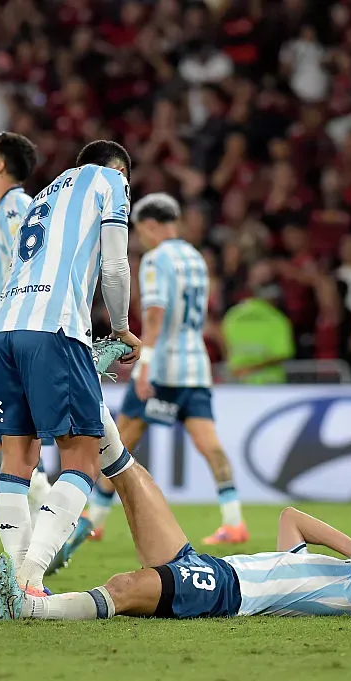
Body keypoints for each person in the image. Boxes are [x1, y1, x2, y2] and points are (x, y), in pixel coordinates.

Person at [0, 140, 142, 596]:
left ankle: (16, 579)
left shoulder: (43, 194)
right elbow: (116, 266)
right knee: (83, 460)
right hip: (54, 327)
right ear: (119, 170)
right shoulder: (110, 181)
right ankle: (31, 576)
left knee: (17, 460)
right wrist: (121, 327)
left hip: (4, 329)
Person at [0, 459, 351, 621]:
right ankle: (90, 396)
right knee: (135, 481)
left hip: (226, 593)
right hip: (211, 566)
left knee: (124, 587)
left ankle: (31, 608)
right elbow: (292, 519)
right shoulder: (336, 577)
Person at [88, 193, 248, 546]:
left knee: (118, 439)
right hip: (195, 366)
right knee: (210, 446)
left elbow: (155, 315)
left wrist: (144, 365)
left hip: (161, 367)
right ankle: (234, 521)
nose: (139, 238)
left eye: (139, 230)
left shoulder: (155, 259)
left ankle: (94, 521)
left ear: (150, 225)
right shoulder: (196, 258)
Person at [0, 132, 51, 514]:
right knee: (16, 448)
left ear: (0, 165)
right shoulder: (7, 210)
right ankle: (45, 530)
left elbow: (37, 268)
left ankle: (54, 506)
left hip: (10, 348)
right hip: (13, 346)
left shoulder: (17, 208)